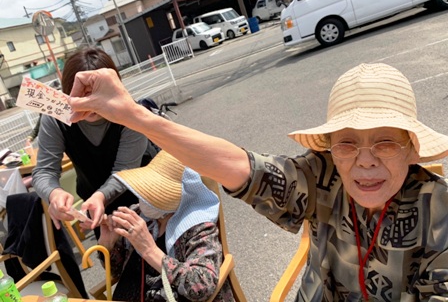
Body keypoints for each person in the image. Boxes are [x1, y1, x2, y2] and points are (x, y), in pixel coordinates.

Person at [68, 63, 448, 301]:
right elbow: (241, 167)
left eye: (385, 142)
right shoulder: (322, 176)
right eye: (347, 142)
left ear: (412, 149)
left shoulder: (440, 211)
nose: (365, 160)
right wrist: (135, 116)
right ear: (331, 149)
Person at [32, 47, 148, 237]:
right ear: (67, 92)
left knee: (153, 258)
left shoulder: (130, 112)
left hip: (145, 198)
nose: (89, 103)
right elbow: (44, 170)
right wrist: (54, 193)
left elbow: (125, 170)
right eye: (80, 94)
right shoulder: (56, 118)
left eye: (96, 93)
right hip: (92, 206)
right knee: (111, 261)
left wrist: (101, 196)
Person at [98, 150, 234, 302]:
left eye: (149, 193)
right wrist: (108, 243)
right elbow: (116, 272)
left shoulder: (198, 228)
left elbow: (201, 287)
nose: (141, 199)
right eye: (141, 191)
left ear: (173, 198)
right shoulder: (140, 215)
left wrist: (150, 251)